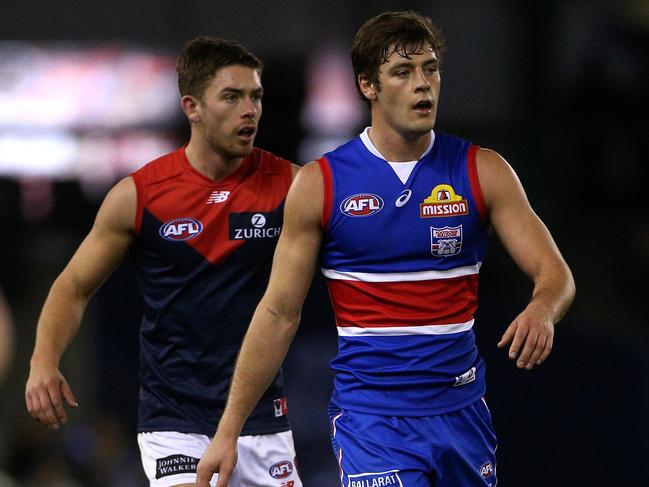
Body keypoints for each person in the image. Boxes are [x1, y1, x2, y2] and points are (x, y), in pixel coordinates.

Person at [197, 10, 577, 487]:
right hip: (372, 422)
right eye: (403, 72)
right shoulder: (322, 184)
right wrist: (227, 431)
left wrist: (543, 309)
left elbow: (555, 275)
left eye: (430, 68)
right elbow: (277, 313)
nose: (424, 85)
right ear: (368, 86)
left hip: (462, 415)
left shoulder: (484, 171)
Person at [25, 37, 303, 487]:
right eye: (231, 97)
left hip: (261, 418)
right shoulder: (139, 196)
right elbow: (72, 286)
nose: (249, 109)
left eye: (255, 96)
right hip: (174, 421)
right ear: (192, 107)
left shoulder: (292, 186)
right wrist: (43, 360)